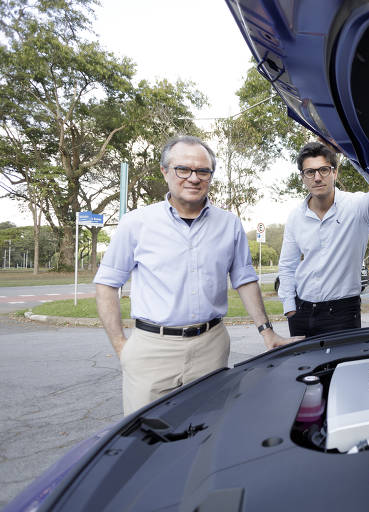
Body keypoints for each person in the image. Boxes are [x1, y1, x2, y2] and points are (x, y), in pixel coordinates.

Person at [94, 135, 300, 416]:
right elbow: (107, 284)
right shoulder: (136, 223)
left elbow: (244, 279)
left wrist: (267, 332)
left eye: (203, 171)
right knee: (148, 435)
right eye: (183, 169)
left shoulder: (229, 224)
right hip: (152, 350)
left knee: (207, 430)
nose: (193, 178)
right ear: (165, 171)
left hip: (211, 348)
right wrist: (121, 347)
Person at [278, 141, 369, 336]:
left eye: (324, 170)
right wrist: (290, 307)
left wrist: (349, 152)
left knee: (344, 358)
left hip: (342, 314)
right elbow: (287, 265)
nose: (317, 178)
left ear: (335, 172)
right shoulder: (295, 216)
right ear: (302, 177)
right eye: (310, 172)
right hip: (301, 312)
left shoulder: (358, 207)